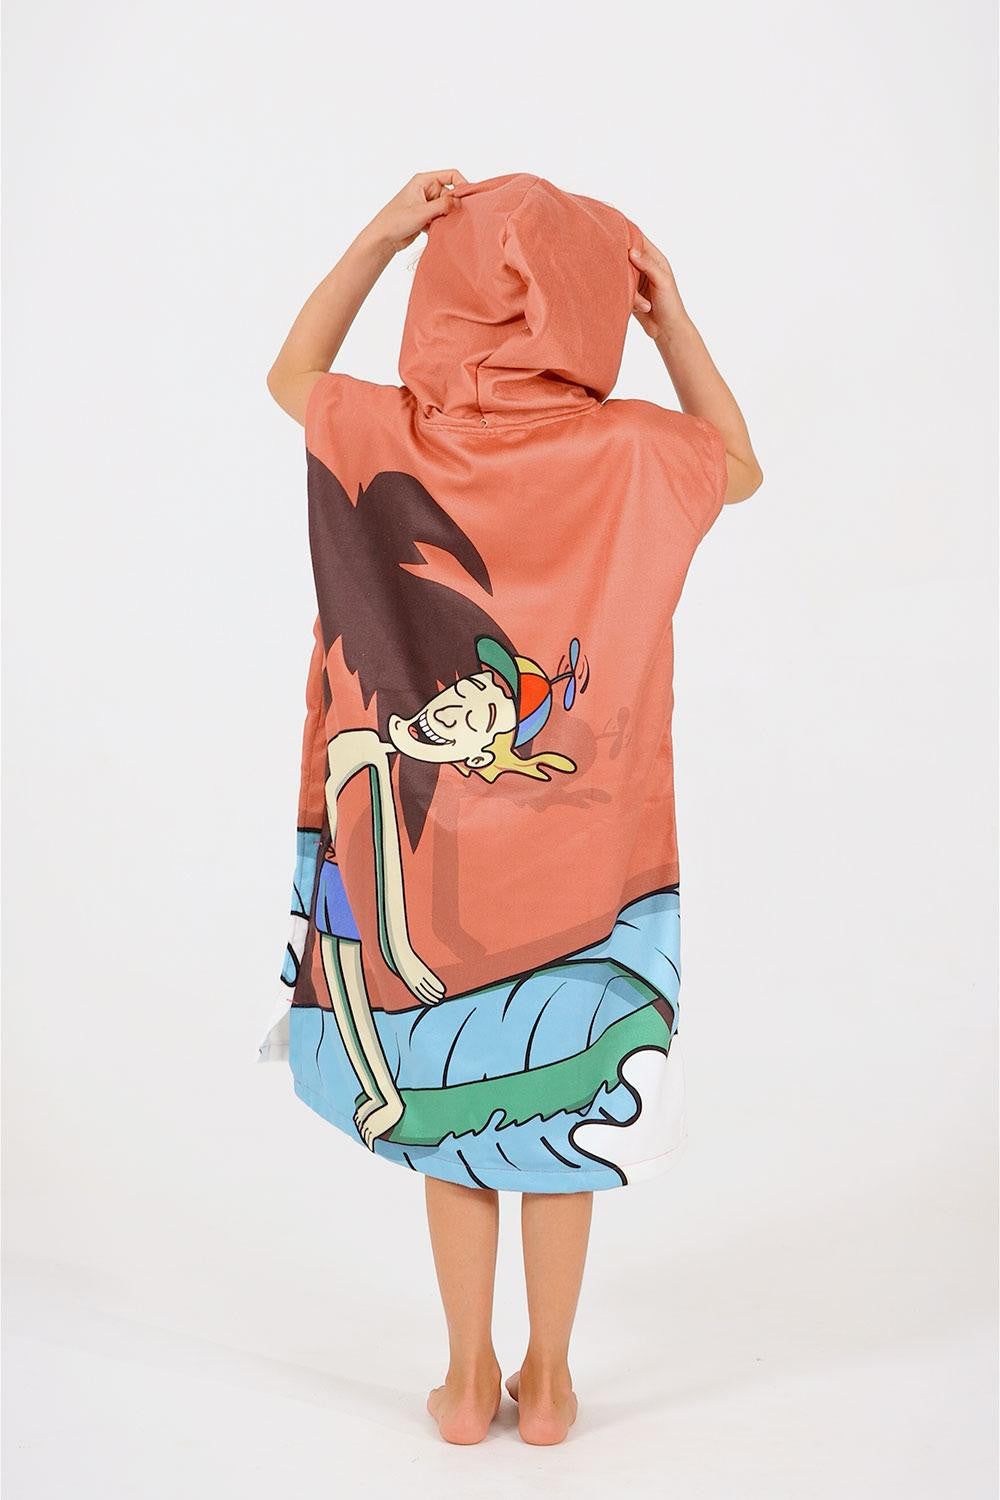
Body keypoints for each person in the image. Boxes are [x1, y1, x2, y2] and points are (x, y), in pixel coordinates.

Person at [263, 170, 762, 1446]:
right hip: (587, 867)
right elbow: (739, 467)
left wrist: (378, 235)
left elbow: (289, 373)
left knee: (454, 1125)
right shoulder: (634, 452)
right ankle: (548, 1379)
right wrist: (672, 321)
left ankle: (464, 1374)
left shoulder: (384, 434)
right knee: (555, 1124)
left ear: (441, 298)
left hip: (428, 863)